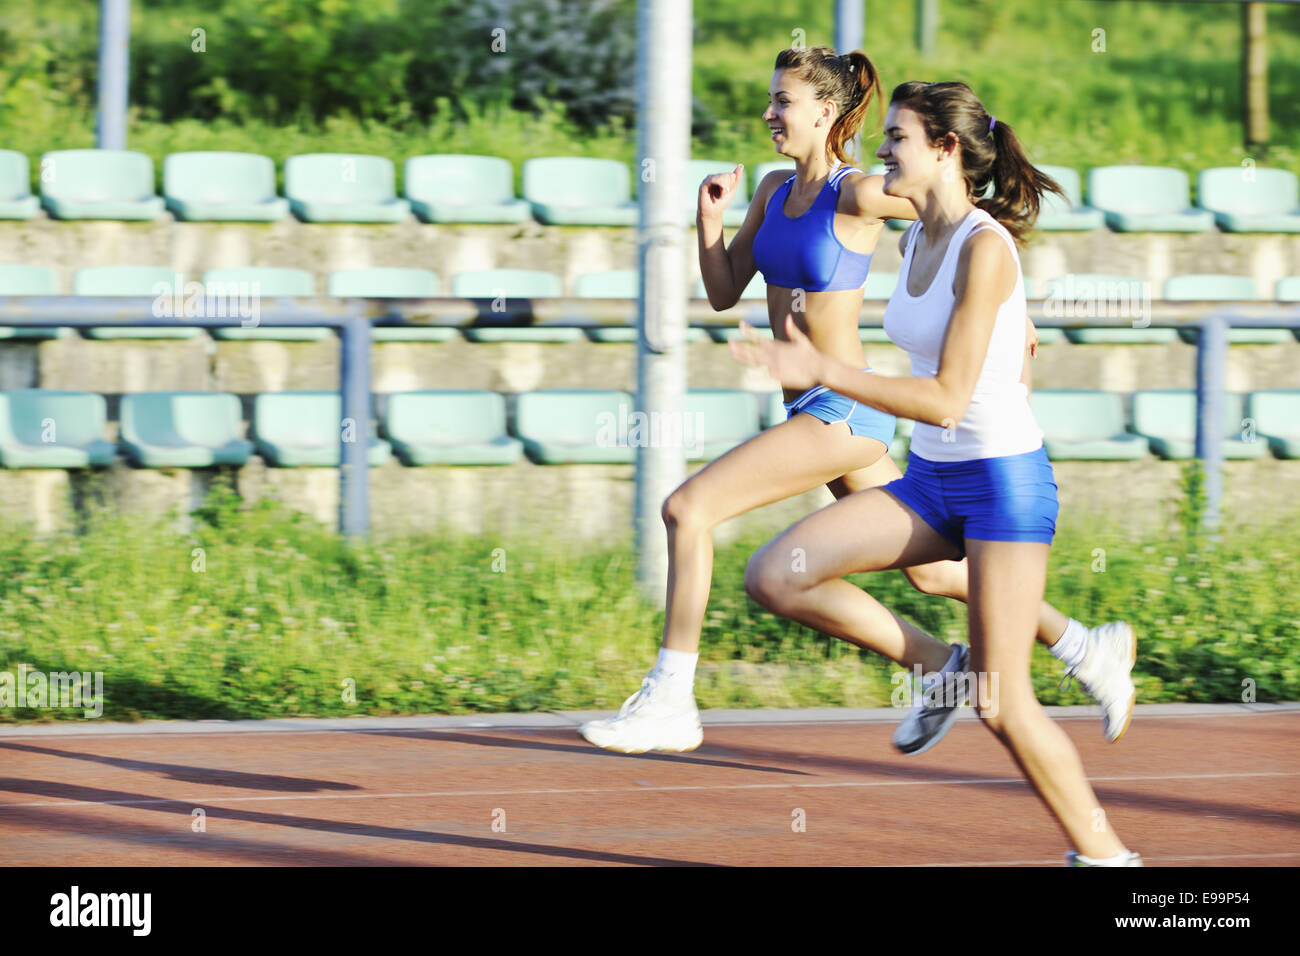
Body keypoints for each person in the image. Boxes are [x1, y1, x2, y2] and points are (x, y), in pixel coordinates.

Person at [579, 48, 1135, 765]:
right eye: (771, 100)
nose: (769, 113)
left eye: (783, 101)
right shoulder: (775, 190)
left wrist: (1006, 306)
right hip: (807, 409)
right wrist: (706, 221)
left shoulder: (861, 193)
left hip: (841, 413)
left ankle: (671, 698)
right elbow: (723, 289)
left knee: (688, 509)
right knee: (931, 572)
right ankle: (1072, 648)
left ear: (826, 112)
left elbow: (953, 210)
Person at [729, 79, 1141, 866]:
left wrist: (823, 367)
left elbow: (948, 399)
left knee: (1003, 704)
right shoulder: (918, 234)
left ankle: (1108, 859)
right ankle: (941, 669)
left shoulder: (986, 247)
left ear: (945, 151)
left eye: (897, 138)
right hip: (932, 481)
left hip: (1000, 487)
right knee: (778, 575)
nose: (880, 150)